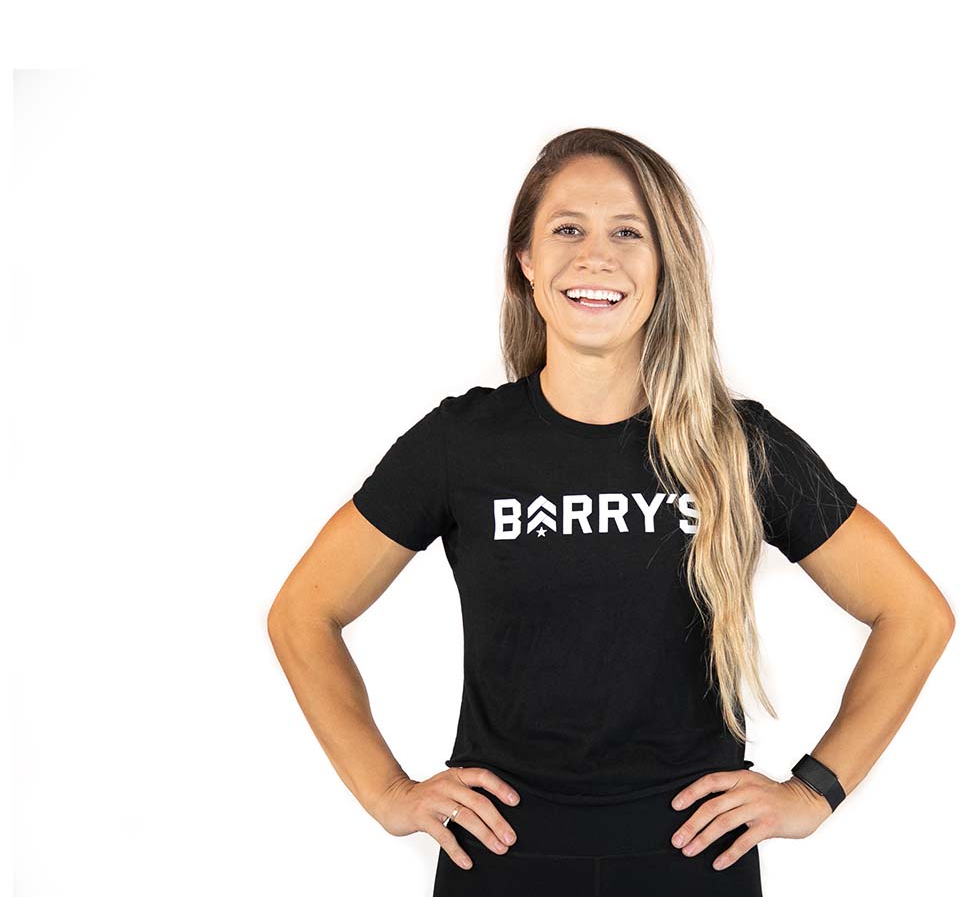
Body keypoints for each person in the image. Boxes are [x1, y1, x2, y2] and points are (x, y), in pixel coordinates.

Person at [268, 128, 954, 896]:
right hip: (500, 857)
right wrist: (387, 793)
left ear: (665, 266)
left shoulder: (739, 444)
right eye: (567, 229)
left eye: (629, 232)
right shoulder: (460, 445)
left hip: (695, 859)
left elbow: (915, 613)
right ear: (524, 263)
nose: (596, 256)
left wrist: (815, 792)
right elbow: (303, 612)